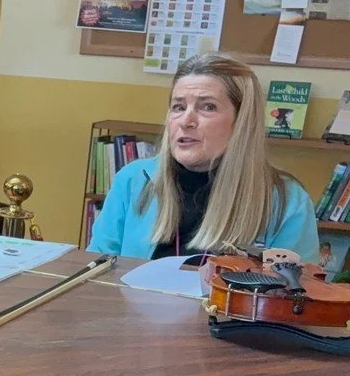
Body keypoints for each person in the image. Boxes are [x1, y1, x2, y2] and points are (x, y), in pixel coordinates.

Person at [88, 54, 318, 260]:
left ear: (241, 122)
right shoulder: (132, 180)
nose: (186, 121)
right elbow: (96, 272)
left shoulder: (287, 201)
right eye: (178, 107)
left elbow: (297, 294)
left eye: (207, 107)